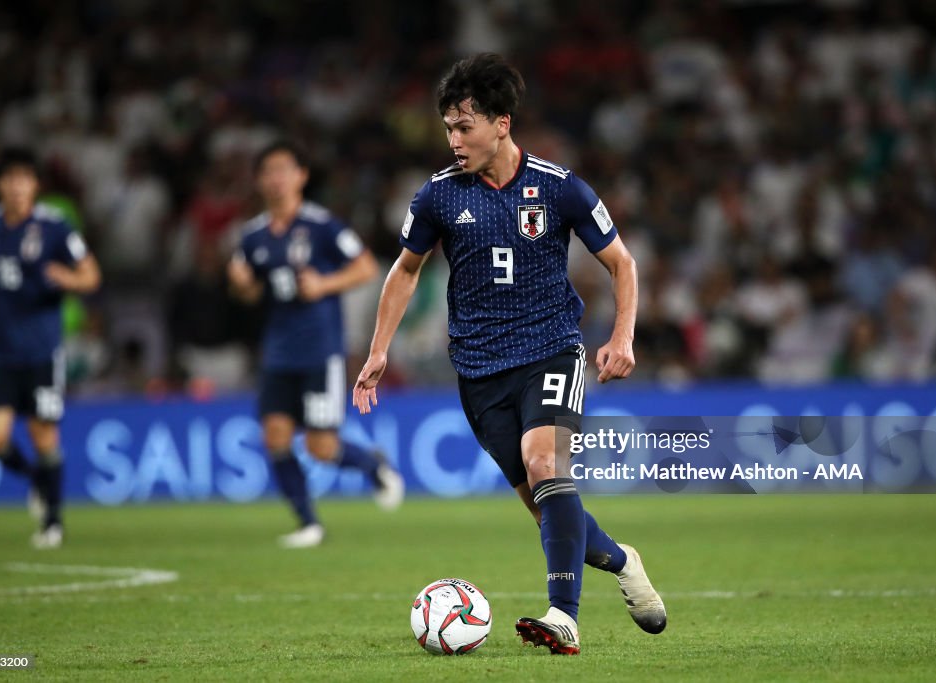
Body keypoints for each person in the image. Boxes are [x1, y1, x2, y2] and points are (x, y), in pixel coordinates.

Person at [353, 53, 666, 654]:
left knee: (547, 464)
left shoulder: (559, 187)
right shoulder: (438, 197)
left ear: (502, 122)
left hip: (551, 349)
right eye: (447, 128)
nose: (454, 140)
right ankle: (623, 560)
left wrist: (623, 335)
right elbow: (404, 271)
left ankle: (563, 617)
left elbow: (622, 264)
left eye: (463, 126)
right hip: (477, 373)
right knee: (550, 510)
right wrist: (378, 351)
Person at [229, 139, 404, 549]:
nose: (276, 179)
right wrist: (241, 286)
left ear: (301, 176)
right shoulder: (252, 236)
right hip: (276, 350)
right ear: (258, 180)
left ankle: (371, 464)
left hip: (319, 349)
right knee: (274, 435)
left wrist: (325, 282)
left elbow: (364, 266)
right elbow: (251, 295)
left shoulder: (323, 226)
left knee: (320, 446)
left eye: (284, 169)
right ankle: (308, 523)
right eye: (268, 171)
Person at [0, 148, 102, 549]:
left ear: (35, 185)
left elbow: (91, 275)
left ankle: (53, 523)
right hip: (0, 349)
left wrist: (68, 280)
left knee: (43, 433)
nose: (17, 187)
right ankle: (36, 479)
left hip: (42, 350)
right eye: (10, 179)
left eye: (25, 179)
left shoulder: (55, 227)